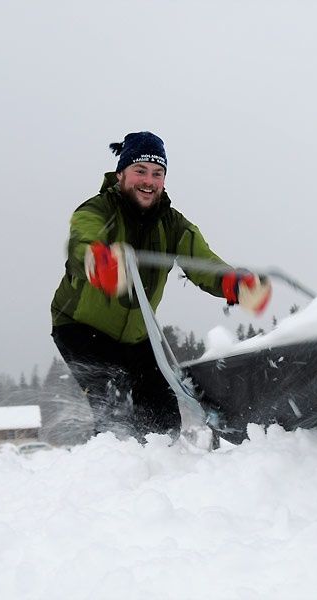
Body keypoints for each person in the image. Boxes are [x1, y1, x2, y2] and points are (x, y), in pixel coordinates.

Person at [51, 131, 271, 438]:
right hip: (81, 327)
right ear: (121, 174)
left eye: (157, 173)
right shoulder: (98, 210)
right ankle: (109, 471)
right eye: (140, 171)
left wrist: (233, 284)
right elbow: (83, 241)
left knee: (163, 417)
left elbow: (203, 263)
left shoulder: (173, 224)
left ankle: (163, 474)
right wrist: (98, 260)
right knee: (116, 406)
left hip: (137, 336)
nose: (148, 181)